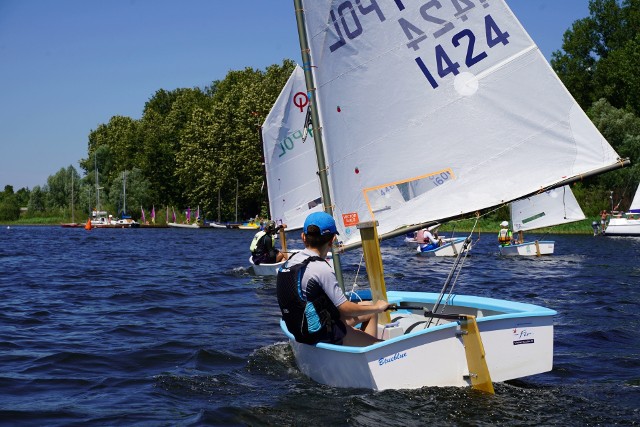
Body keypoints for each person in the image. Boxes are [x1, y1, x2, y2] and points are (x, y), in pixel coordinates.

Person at [276, 211, 389, 347]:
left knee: (368, 307)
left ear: (303, 237)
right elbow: (346, 309)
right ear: (333, 239)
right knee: (383, 345)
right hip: (321, 333)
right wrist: (378, 307)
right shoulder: (321, 268)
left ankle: (361, 347)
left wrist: (372, 309)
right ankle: (368, 354)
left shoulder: (291, 260)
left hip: (298, 328)